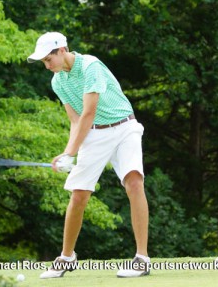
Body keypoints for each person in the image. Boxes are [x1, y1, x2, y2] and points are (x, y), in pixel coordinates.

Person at [27, 32, 150, 278]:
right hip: (94, 136)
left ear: (62, 50)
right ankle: (67, 257)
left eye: (48, 59)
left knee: (134, 181)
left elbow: (89, 112)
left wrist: (71, 152)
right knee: (79, 194)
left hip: (124, 126)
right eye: (43, 61)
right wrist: (67, 153)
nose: (46, 65)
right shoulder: (57, 81)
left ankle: (142, 258)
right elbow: (76, 121)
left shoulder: (91, 66)